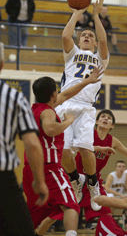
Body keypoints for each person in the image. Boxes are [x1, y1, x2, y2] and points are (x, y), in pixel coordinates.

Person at [22, 67, 103, 236]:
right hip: (48, 168)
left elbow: (67, 95)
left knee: (39, 214)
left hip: (30, 170)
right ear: (53, 93)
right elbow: (50, 129)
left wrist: (88, 81)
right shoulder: (47, 112)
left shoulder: (32, 109)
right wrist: (68, 121)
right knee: (72, 205)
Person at [33, 109, 127, 235]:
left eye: (109, 118)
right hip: (76, 179)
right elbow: (73, 146)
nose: (106, 118)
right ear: (96, 121)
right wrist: (97, 148)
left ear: (112, 125)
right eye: (103, 116)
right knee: (56, 214)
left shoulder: (113, 141)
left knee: (105, 212)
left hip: (94, 182)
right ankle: (37, 234)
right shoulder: (88, 133)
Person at [55, 0, 109, 212]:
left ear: (94, 43)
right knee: (65, 152)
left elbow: (104, 42)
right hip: (66, 103)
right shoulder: (72, 54)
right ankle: (76, 179)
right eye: (84, 35)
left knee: (86, 149)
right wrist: (77, 12)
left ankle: (93, 183)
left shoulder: (100, 59)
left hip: (86, 107)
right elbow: (65, 35)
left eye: (90, 36)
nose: (87, 36)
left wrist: (95, 15)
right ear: (79, 41)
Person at [0, 42, 49, 236]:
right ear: (2, 64)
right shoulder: (14, 97)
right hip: (3, 181)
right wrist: (39, 182)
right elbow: (32, 144)